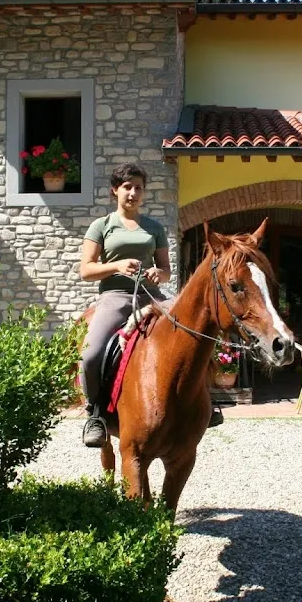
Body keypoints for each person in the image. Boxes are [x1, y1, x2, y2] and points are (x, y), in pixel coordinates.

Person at [79, 163, 222, 447]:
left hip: (152, 296)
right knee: (91, 354)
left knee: (194, 332)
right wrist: (117, 265)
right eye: (127, 187)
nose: (133, 193)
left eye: (138, 188)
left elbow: (166, 269)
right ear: (115, 191)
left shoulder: (154, 227)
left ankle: (207, 398)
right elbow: (85, 270)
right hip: (115, 297)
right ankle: (95, 414)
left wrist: (160, 274)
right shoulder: (101, 226)